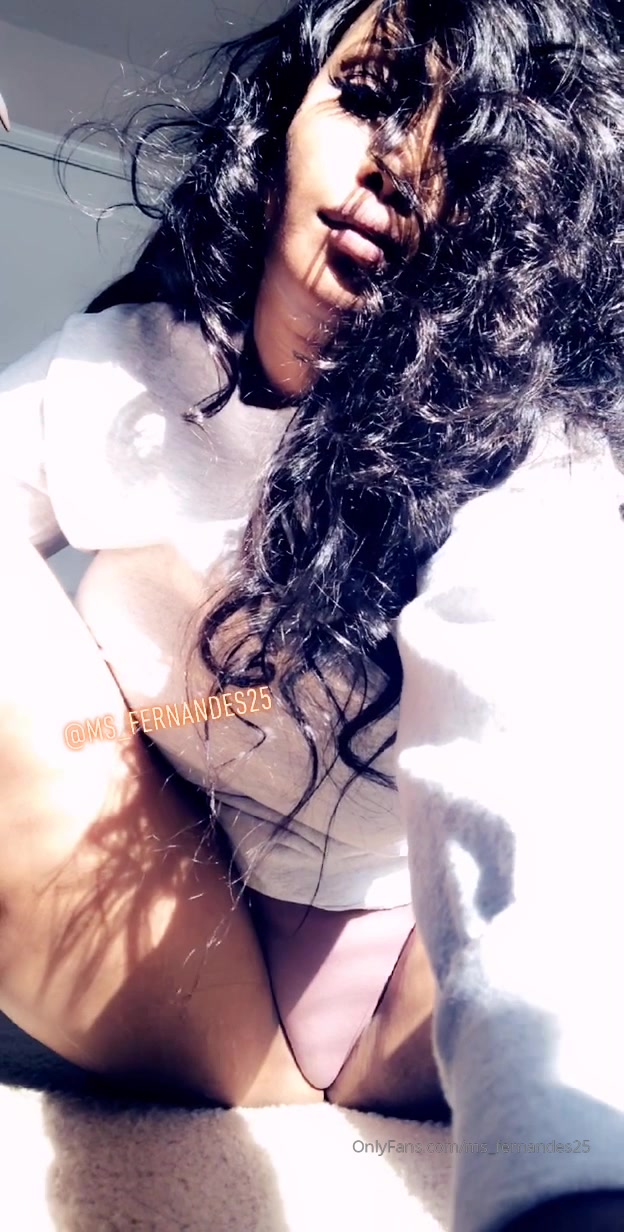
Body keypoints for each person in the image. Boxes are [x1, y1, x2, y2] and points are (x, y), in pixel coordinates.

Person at [0, 0, 623, 1228]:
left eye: (468, 152)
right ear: (284, 114)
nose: (397, 164)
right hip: (167, 944)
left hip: (419, 993)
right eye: (371, 94)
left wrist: (557, 1173)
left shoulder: (527, 451)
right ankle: (261, 1081)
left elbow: (516, 756)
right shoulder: (124, 367)